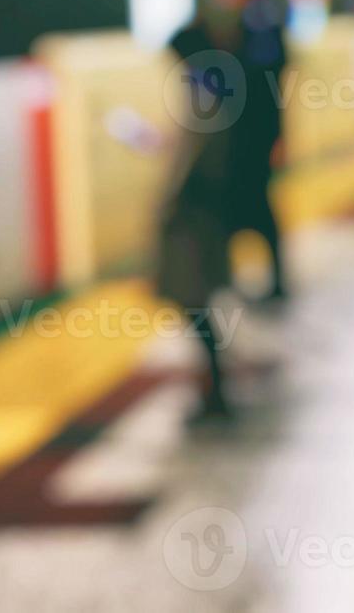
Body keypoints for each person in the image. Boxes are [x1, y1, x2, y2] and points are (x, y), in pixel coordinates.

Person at [156, 21, 237, 421]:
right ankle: (214, 386)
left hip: (192, 217)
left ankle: (216, 391)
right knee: (197, 304)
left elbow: (194, 160)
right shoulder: (213, 87)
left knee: (195, 303)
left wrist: (167, 207)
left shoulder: (201, 91)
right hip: (204, 214)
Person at [227, 0, 290, 301]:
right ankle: (260, 278)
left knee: (259, 210)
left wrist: (277, 137)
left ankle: (276, 279)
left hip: (254, 138)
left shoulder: (259, 24)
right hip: (250, 137)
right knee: (251, 210)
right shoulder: (254, 25)